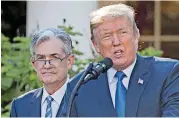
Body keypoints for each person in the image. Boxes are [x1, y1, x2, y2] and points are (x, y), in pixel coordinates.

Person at [65, 3, 179, 117]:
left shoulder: (168, 73)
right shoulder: (79, 87)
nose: (116, 42)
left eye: (122, 32)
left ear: (136, 35)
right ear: (95, 44)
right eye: (107, 36)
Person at [10, 28, 74, 117]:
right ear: (33, 63)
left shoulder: (86, 101)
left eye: (54, 57)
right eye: (40, 58)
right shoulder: (20, 106)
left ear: (69, 61)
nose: (47, 65)